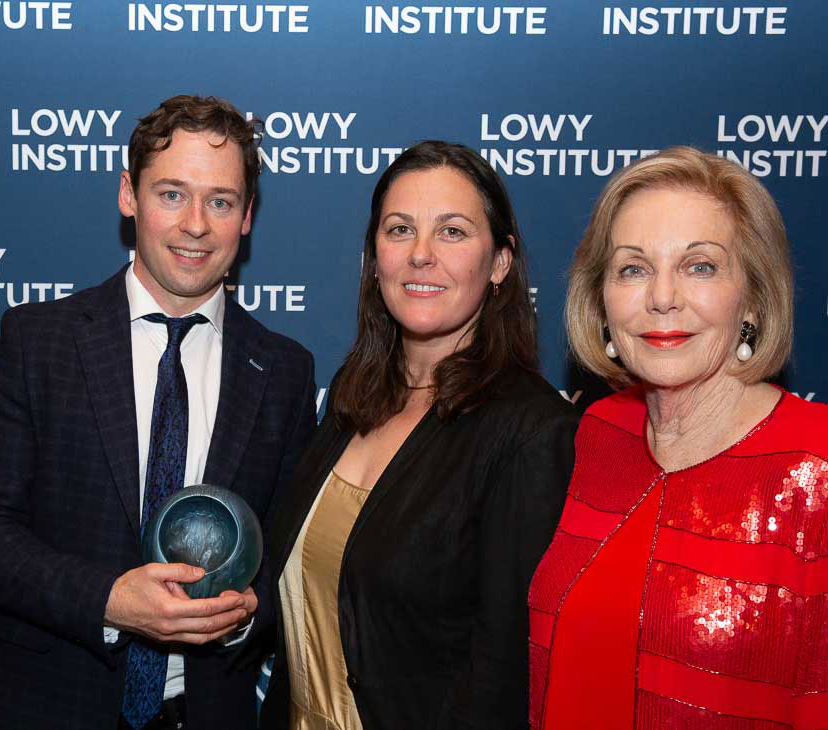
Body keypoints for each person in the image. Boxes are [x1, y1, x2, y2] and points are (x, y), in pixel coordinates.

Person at [0, 95, 317, 730]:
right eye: (172, 194)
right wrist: (109, 600)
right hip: (51, 705)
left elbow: (289, 562)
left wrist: (245, 616)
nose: (196, 224)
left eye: (221, 201)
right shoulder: (40, 343)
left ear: (247, 216)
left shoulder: (283, 371)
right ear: (129, 195)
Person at [259, 141, 578, 730]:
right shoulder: (354, 397)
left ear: (501, 263)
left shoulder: (530, 432)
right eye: (399, 229)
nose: (421, 255)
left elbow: (503, 677)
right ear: (374, 257)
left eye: (452, 232)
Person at [528, 146, 828, 728]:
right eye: (634, 269)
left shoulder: (817, 464)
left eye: (700, 266)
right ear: (602, 300)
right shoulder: (594, 435)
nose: (663, 298)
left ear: (754, 299)